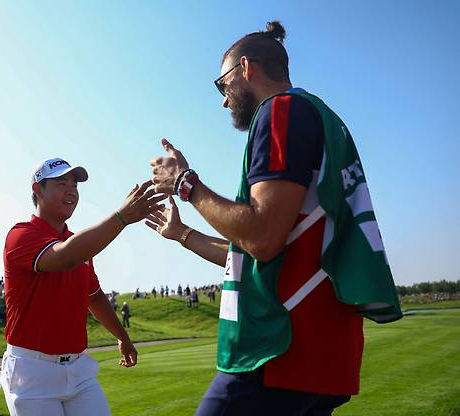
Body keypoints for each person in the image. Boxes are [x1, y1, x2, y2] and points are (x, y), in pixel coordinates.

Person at [146, 21, 401, 416]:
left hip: (278, 346)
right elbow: (259, 254)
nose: (224, 100)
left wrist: (185, 184)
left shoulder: (281, 111)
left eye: (222, 85)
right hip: (323, 350)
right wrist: (182, 234)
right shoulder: (322, 117)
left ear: (246, 68)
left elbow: (262, 238)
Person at [0, 157, 165, 416]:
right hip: (31, 372)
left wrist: (123, 337)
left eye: (74, 185)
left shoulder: (78, 243)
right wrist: (122, 217)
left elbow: (94, 297)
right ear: (37, 190)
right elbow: (64, 257)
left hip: (77, 369)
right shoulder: (21, 234)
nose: (71, 190)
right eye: (61, 183)